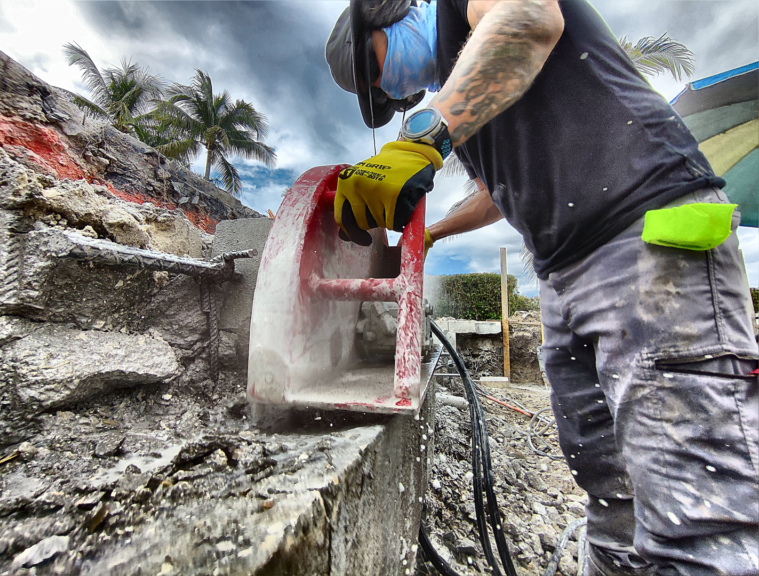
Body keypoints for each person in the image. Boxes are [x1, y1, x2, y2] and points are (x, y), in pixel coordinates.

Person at [325, 1, 759, 575]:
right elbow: (493, 193)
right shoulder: (471, 93)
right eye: (380, 96)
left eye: (373, 71)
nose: (389, 90)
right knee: (612, 492)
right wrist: (431, 233)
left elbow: (529, 19)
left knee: (698, 521)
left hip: (647, 245)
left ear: (386, 13)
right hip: (564, 273)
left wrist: (425, 140)